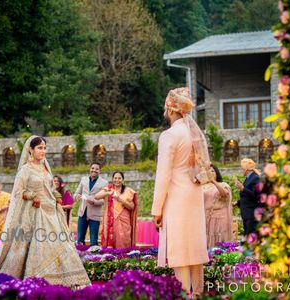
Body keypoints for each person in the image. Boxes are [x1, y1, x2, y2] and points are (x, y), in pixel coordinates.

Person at [0, 136, 90, 287]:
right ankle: (38, 280)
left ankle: (67, 280)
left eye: (44, 148)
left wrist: (57, 196)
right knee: (40, 245)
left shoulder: (45, 167)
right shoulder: (25, 170)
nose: (43, 151)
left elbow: (50, 188)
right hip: (35, 213)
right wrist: (32, 196)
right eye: (40, 148)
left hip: (52, 212)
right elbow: (18, 192)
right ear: (31, 150)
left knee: (61, 245)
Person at [152, 87, 211, 296]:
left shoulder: (169, 135)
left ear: (170, 109)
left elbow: (163, 175)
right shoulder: (194, 135)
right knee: (194, 247)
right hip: (194, 194)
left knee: (179, 250)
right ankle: (199, 293)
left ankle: (184, 293)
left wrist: (156, 209)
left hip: (177, 195)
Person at [95, 171, 138, 248]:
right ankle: (110, 257)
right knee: (112, 239)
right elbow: (96, 196)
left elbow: (132, 207)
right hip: (110, 220)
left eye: (119, 178)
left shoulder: (128, 191)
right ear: (112, 179)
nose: (117, 180)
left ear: (123, 180)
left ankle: (123, 256)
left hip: (124, 219)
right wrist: (108, 193)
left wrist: (120, 199)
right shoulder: (108, 189)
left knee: (123, 239)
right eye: (115, 178)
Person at [74, 163, 108, 246]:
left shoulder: (104, 183)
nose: (94, 170)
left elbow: (104, 201)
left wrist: (93, 202)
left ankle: (94, 257)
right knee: (80, 238)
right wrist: (77, 196)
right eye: (92, 168)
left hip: (95, 214)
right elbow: (76, 193)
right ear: (90, 169)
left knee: (93, 239)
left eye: (97, 169)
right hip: (82, 213)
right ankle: (81, 256)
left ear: (100, 171)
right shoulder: (83, 179)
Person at [202, 165, 233, 248]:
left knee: (218, 240)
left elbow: (225, 196)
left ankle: (219, 258)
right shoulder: (202, 186)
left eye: (212, 171)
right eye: (208, 171)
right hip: (206, 217)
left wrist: (213, 181)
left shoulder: (223, 184)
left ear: (217, 173)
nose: (210, 173)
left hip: (219, 218)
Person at [234, 158, 261, 237]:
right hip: (246, 213)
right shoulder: (248, 178)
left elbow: (256, 196)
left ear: (246, 169)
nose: (241, 170)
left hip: (251, 213)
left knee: (250, 237)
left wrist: (242, 188)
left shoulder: (255, 178)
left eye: (241, 168)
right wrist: (236, 203)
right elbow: (246, 197)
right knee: (247, 236)